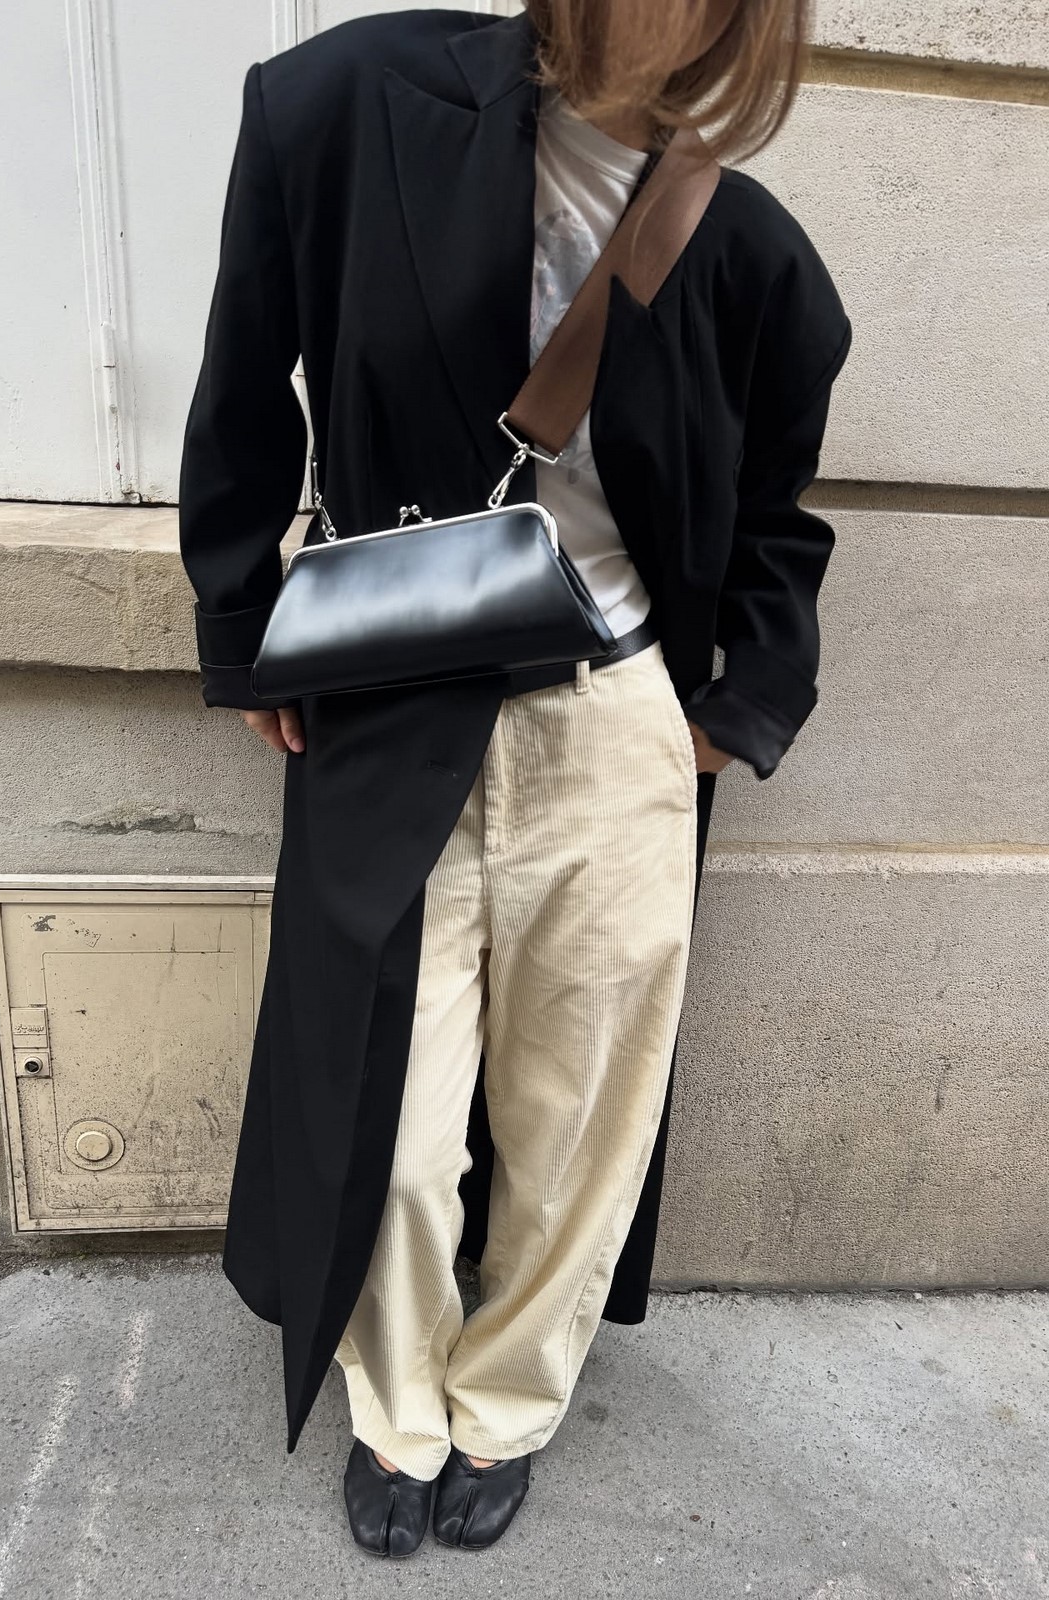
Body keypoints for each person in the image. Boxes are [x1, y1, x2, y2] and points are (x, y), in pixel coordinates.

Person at [178, 0, 851, 1560]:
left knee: (578, 1109)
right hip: (392, 687)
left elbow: (779, 520)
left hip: (614, 717)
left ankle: (507, 1400)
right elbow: (242, 381)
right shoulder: (347, 103)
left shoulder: (752, 251)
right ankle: (396, 1406)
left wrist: (721, 715)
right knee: (390, 1118)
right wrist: (245, 626)